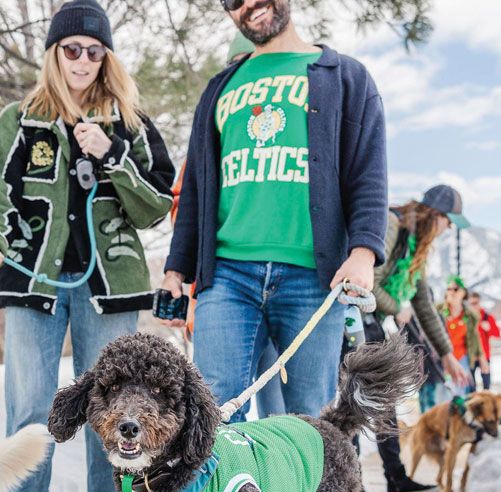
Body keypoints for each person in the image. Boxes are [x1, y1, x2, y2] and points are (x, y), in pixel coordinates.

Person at [0, 0, 175, 492]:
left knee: (114, 420)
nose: (83, 59)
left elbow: (156, 205)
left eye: (94, 50)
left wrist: (110, 158)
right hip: (34, 283)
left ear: (106, 57)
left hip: (109, 289)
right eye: (71, 49)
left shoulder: (130, 123)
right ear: (54, 55)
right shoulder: (19, 120)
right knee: (29, 415)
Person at [160, 0, 389, 427]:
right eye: (232, 2)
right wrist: (176, 269)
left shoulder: (346, 77)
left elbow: (368, 172)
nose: (248, 5)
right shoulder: (219, 88)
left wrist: (364, 252)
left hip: (314, 279)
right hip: (227, 277)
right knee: (211, 418)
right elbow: (195, 189)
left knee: (309, 421)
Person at [364, 185, 474, 492]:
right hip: (352, 321)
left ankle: (396, 477)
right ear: (435, 215)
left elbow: (424, 305)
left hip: (374, 324)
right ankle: (353, 480)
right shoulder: (392, 226)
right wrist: (396, 307)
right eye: (449, 221)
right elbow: (366, 282)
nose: (449, 228)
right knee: (359, 402)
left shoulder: (417, 247)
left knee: (381, 401)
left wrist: (447, 354)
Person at [440, 276, 481, 395]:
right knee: (444, 393)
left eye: (455, 289)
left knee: (460, 393)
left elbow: (475, 337)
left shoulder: (470, 315)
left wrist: (481, 357)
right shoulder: (437, 311)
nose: (451, 292)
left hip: (462, 358)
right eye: (448, 289)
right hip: (443, 357)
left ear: (463, 293)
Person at [469, 291, 501, 389]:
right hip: (471, 355)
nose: (473, 306)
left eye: (476, 303)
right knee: (471, 385)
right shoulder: (467, 318)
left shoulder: (487, 317)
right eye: (471, 303)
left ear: (479, 303)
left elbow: (498, 334)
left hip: (484, 355)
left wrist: (489, 329)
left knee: (486, 384)